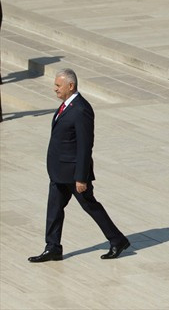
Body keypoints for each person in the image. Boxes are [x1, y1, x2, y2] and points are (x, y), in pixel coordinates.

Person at [28, 69, 129, 262]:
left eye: (58, 85)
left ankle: (118, 240)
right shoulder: (66, 106)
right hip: (59, 172)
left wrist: (81, 177)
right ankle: (53, 247)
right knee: (54, 209)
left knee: (90, 206)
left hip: (74, 174)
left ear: (70, 86)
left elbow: (85, 146)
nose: (55, 89)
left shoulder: (81, 109)